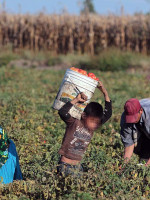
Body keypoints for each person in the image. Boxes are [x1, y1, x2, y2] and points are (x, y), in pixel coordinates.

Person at [57, 80, 112, 176]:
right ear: (84, 115)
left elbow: (108, 113)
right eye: (92, 121)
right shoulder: (74, 122)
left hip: (78, 167)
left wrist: (105, 93)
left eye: (96, 122)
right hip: (65, 165)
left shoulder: (92, 127)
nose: (94, 124)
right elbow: (62, 112)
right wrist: (76, 100)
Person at [120, 98, 150, 166]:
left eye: (134, 117)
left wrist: (147, 166)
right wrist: (124, 164)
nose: (132, 120)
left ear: (141, 111)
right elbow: (129, 143)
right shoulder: (125, 117)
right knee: (139, 147)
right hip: (145, 128)